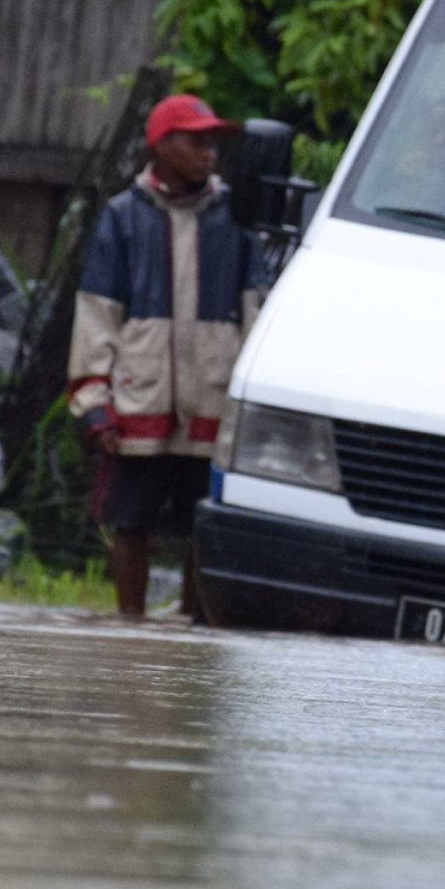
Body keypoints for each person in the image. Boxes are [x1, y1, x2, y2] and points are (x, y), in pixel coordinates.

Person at [69, 93, 266, 619]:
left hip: (212, 398)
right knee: (130, 522)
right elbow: (97, 315)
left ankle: (193, 630)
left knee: (205, 526)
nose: (209, 153)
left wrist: (252, 403)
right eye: (196, 141)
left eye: (213, 142)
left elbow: (256, 312)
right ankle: (129, 630)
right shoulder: (123, 217)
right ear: (161, 146)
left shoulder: (237, 219)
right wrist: (95, 401)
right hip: (141, 396)